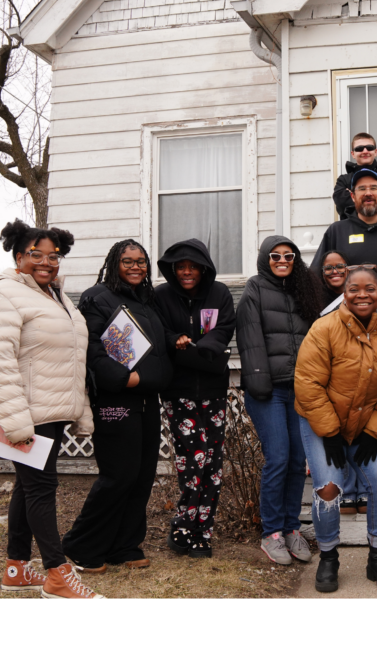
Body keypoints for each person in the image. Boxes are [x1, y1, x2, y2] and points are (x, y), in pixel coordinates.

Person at [0, 220, 103, 599]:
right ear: (18, 256)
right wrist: (16, 421)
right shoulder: (3, 295)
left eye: (54, 255)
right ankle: (57, 574)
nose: (46, 262)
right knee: (41, 489)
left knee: (28, 489)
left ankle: (16, 568)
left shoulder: (56, 296)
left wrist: (79, 409)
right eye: (36, 254)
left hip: (53, 412)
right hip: (28, 415)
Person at [294, 266, 377, 593]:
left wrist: (374, 432)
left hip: (366, 428)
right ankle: (329, 557)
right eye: (354, 289)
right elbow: (308, 383)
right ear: (343, 293)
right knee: (329, 489)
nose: (362, 295)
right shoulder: (324, 329)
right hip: (321, 425)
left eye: (370, 289)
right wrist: (330, 432)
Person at [61, 239, 173, 574]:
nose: (136, 267)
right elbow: (91, 347)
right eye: (128, 261)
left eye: (141, 261)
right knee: (118, 475)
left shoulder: (148, 299)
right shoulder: (98, 297)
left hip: (147, 400)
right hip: (116, 399)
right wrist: (125, 380)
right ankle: (81, 545)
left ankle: (124, 545)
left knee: (141, 476)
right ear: (115, 263)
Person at [236, 235, 320, 566]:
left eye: (289, 255)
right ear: (264, 259)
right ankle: (271, 532)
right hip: (268, 390)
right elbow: (250, 338)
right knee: (279, 458)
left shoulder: (305, 288)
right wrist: (259, 382)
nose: (283, 260)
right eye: (275, 256)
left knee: (298, 460)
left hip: (301, 389)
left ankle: (290, 528)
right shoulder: (255, 288)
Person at [153, 239, 237, 558]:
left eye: (193, 267)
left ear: (203, 268)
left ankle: (204, 530)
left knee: (212, 462)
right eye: (181, 267)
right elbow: (159, 332)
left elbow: (224, 329)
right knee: (193, 458)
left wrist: (200, 349)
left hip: (214, 390)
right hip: (179, 391)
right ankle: (185, 523)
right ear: (173, 270)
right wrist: (177, 341)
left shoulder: (220, 294)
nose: (187, 272)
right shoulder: (161, 296)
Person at [314, 250, 368, 514]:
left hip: (360, 372)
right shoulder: (313, 299)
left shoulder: (360, 296)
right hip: (330, 376)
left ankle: (363, 489)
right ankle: (347, 489)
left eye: (339, 266)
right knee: (338, 433)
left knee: (359, 433)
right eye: (328, 268)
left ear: (348, 269)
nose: (334, 271)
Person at [312, 169, 377, 272]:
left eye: (373, 188)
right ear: (353, 196)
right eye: (362, 188)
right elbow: (316, 273)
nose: (368, 193)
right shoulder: (337, 231)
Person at [332, 132, 377, 219]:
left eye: (369, 148)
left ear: (375, 152)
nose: (365, 151)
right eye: (359, 149)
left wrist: (358, 201)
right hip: (351, 231)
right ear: (353, 154)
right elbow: (342, 205)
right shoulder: (343, 180)